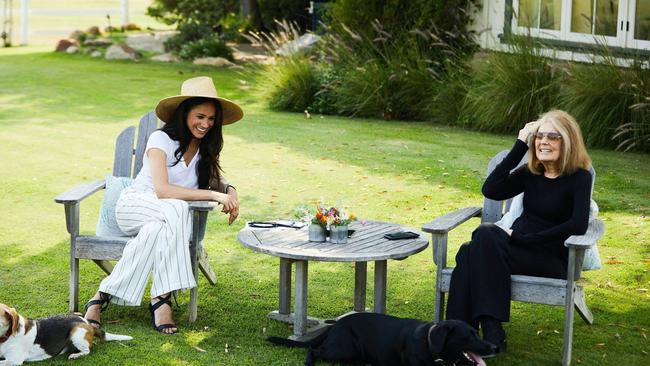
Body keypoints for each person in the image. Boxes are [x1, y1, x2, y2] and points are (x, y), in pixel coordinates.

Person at [84, 76, 243, 334]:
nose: (205, 124)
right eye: (199, 116)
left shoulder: (204, 148)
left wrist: (230, 190)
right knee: (177, 207)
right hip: (136, 205)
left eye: (211, 119)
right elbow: (163, 190)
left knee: (155, 231)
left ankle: (99, 298)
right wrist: (215, 196)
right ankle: (162, 298)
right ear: (185, 113)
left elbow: (216, 178)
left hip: (164, 220)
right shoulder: (161, 139)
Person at [445, 110, 593, 354]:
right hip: (515, 250)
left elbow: (577, 225)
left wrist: (525, 238)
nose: (543, 141)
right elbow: (491, 189)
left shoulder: (579, 177)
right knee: (473, 247)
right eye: (539, 136)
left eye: (553, 136)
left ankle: (462, 333)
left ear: (568, 141)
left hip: (551, 258)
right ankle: (481, 335)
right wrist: (519, 145)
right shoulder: (530, 173)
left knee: (473, 248)